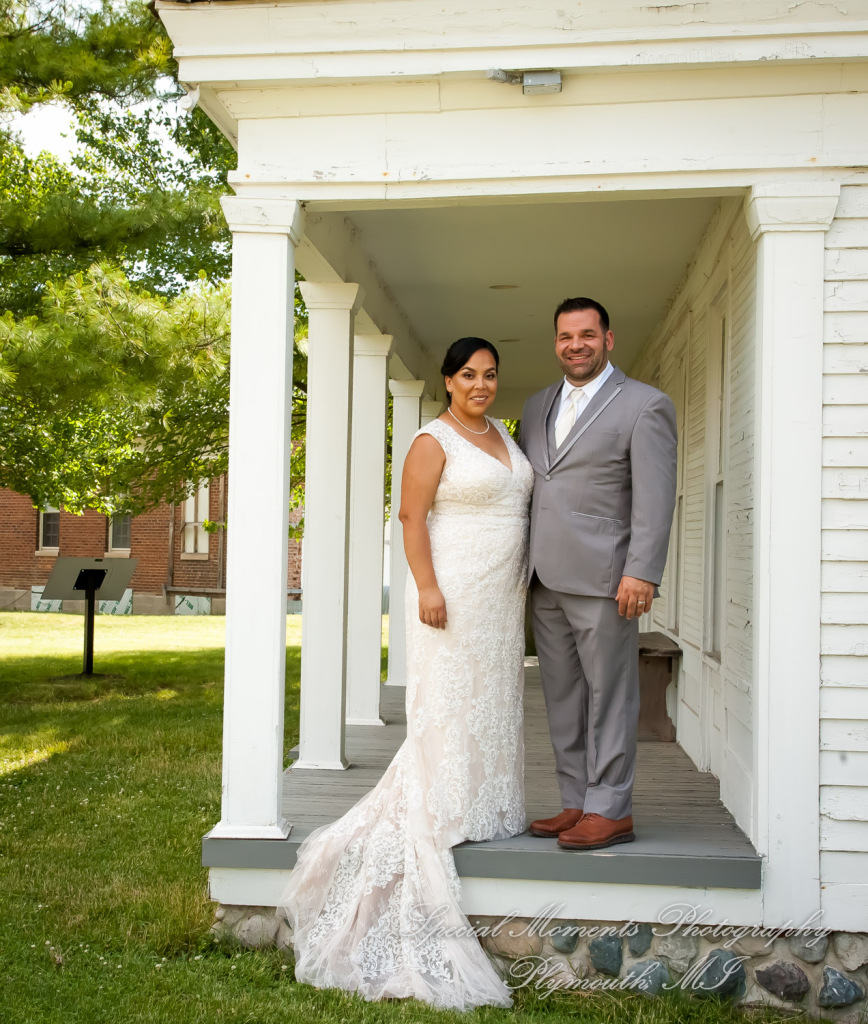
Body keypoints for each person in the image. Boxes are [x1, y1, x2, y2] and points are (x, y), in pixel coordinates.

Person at [281, 337, 534, 1010]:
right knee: (449, 703)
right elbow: (411, 517)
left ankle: (485, 803)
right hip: (451, 591)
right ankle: (443, 805)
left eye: (489, 375)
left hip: (499, 601)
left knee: (490, 701)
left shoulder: (504, 437)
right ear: (448, 381)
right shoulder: (432, 439)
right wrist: (425, 587)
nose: (480, 385)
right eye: (468, 375)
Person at [519, 297, 677, 852]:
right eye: (566, 336)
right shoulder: (536, 405)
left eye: (587, 335)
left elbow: (655, 497)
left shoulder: (645, 404)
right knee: (562, 697)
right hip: (544, 578)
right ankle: (575, 800)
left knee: (610, 696)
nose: (576, 345)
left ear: (608, 339)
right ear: (556, 343)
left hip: (608, 579)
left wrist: (643, 571)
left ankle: (611, 810)